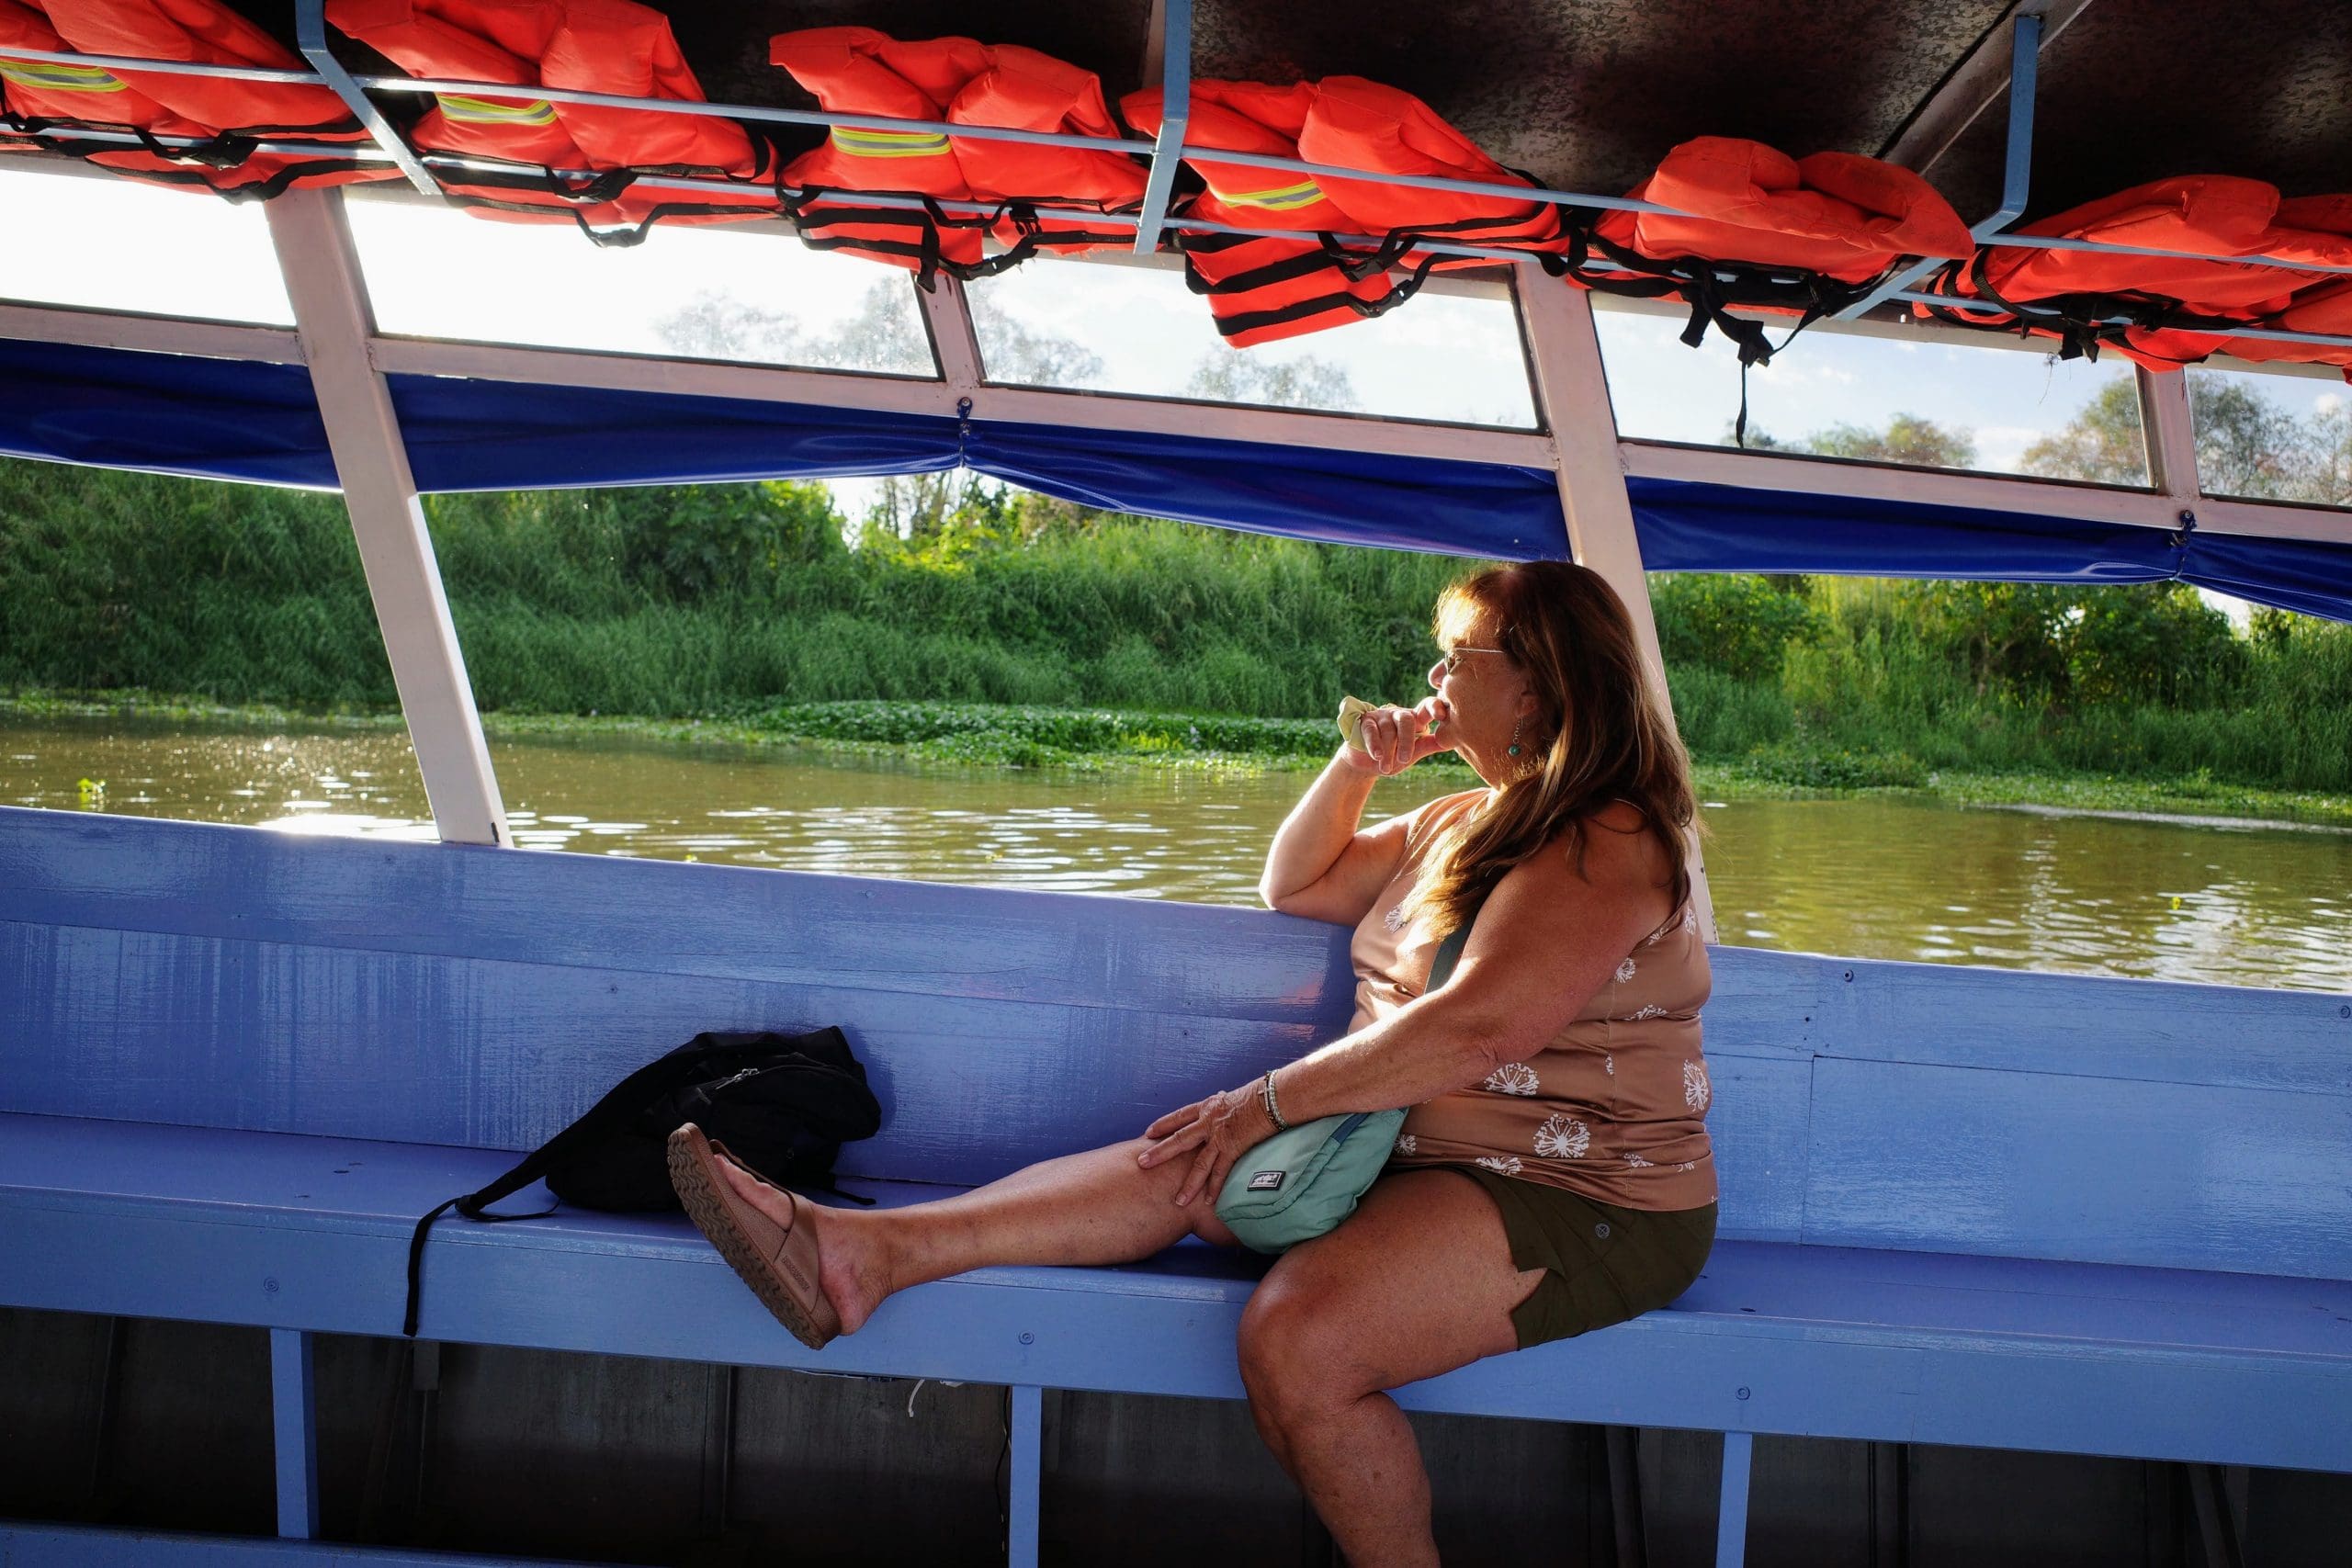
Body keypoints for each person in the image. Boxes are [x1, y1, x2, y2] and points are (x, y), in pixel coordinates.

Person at [668, 558, 1718, 1568]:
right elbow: (1295, 884)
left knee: (1297, 1339)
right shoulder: (1463, 820)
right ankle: (863, 1254)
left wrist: (1264, 1104)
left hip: (1580, 1192)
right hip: (1397, 1146)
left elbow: (1474, 1031)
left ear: (1535, 683)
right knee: (1188, 1155)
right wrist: (1359, 766)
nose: (1435, 674)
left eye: (1460, 655)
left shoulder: (1606, 838)